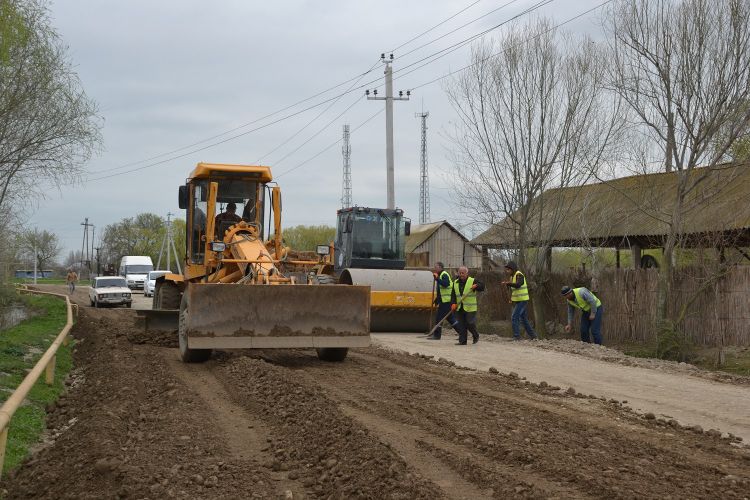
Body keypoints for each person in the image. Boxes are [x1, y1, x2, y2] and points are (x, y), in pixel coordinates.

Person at [501, 261, 537, 340]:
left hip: (522, 300)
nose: (507, 271)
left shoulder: (519, 275)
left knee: (514, 317)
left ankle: (517, 336)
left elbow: (518, 285)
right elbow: (513, 288)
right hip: (518, 301)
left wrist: (508, 284)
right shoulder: (512, 277)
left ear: (512, 269)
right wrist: (507, 285)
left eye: (508, 269)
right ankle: (534, 336)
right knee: (524, 319)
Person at [450, 266, 485, 345]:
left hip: (470, 307)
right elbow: (453, 295)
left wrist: (476, 286)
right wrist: (453, 303)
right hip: (459, 307)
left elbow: (482, 286)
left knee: (469, 323)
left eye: (463, 273)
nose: (461, 275)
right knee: (461, 324)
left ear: (467, 273)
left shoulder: (472, 281)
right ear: (458, 273)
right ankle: (462, 341)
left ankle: (475, 335)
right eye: (460, 273)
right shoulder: (455, 282)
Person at [426, 262, 459, 340]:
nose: (435, 268)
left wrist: (437, 279)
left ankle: (437, 336)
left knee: (439, 318)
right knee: (450, 319)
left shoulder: (444, 274)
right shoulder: (441, 275)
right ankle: (462, 332)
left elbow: (446, 284)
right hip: (444, 301)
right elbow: (441, 290)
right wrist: (437, 299)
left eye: (436, 267)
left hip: (446, 301)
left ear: (440, 267)